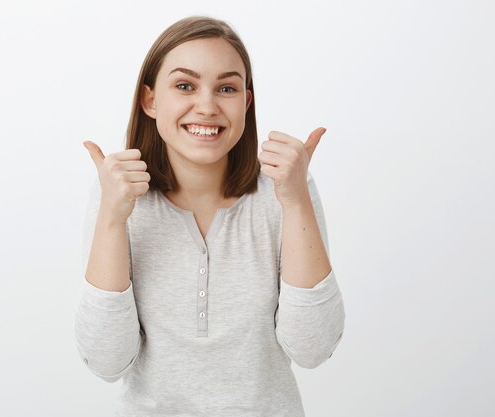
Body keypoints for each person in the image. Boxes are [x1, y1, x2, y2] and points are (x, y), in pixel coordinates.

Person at [74, 15, 345, 417]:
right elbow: (106, 360)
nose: (207, 106)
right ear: (150, 100)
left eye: (227, 88)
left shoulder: (284, 190)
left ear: (246, 103)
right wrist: (113, 220)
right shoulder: (116, 194)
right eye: (185, 85)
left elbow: (313, 348)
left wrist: (296, 201)